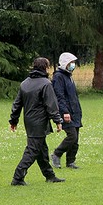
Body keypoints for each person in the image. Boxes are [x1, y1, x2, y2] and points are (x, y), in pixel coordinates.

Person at [9, 57, 65, 185]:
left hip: (29, 122)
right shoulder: (46, 84)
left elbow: (17, 104)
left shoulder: (24, 83)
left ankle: (50, 176)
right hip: (39, 122)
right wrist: (58, 121)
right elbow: (51, 105)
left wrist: (13, 121)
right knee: (33, 150)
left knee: (41, 150)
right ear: (46, 68)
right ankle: (17, 178)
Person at [51, 52, 83, 169]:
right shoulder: (59, 77)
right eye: (71, 63)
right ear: (65, 63)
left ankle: (70, 162)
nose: (73, 65)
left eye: (73, 63)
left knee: (76, 139)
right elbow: (59, 96)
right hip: (66, 112)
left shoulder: (69, 76)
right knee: (72, 136)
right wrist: (65, 112)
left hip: (75, 111)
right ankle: (56, 154)